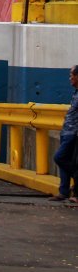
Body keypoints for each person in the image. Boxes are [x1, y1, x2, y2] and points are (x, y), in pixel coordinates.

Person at [49, 65, 78, 202]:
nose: (70, 79)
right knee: (64, 161)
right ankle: (63, 191)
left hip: (73, 133)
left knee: (59, 158)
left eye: (71, 76)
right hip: (67, 131)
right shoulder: (75, 93)